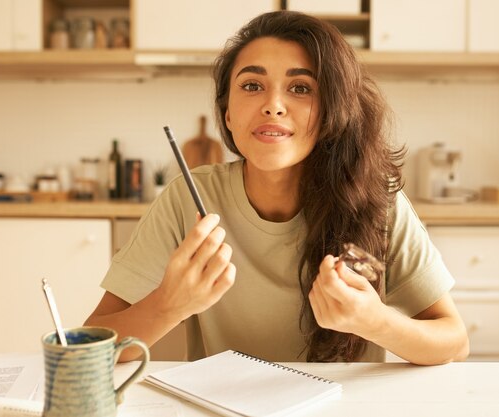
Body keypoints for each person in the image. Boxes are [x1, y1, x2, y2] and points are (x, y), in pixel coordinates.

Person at [85, 10, 469, 364]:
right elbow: (89, 345)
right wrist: (167, 305)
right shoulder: (188, 200)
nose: (273, 105)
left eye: (301, 88)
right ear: (228, 115)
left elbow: (454, 341)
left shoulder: (377, 200)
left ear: (331, 112)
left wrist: (376, 322)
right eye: (252, 85)